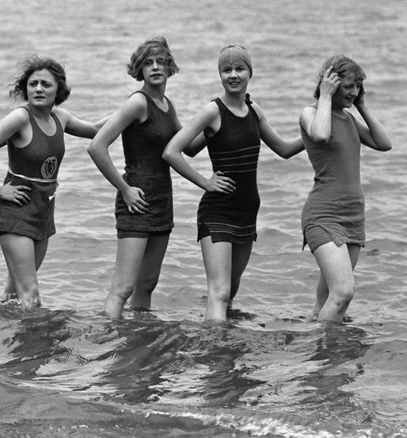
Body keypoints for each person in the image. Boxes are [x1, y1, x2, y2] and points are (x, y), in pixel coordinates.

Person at [162, 45, 304, 321]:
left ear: (250, 72)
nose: (233, 75)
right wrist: (206, 182)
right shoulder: (212, 111)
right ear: (220, 75)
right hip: (217, 211)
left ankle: (223, 351)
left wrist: (316, 135)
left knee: (232, 290)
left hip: (247, 212)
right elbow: (171, 151)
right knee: (221, 291)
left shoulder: (254, 111)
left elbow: (284, 149)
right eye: (226, 70)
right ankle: (215, 350)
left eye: (239, 68)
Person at [0, 56, 106, 310]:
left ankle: (4, 338)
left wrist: (132, 107)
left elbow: (97, 130)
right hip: (15, 212)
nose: (38, 89)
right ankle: (35, 348)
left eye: (46, 84)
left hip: (43, 212)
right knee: (30, 294)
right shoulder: (20, 118)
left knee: (14, 294)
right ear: (25, 89)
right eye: (33, 84)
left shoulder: (60, 118)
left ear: (59, 90)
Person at [88, 37, 205, 319]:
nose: (155, 67)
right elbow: (96, 146)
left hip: (162, 202)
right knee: (123, 287)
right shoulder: (138, 103)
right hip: (135, 203)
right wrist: (125, 188)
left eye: (161, 62)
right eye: (147, 63)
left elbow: (188, 147)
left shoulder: (166, 104)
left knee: (148, 284)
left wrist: (216, 121)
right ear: (139, 70)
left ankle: (138, 341)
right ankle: (110, 344)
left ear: (170, 68)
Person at [299, 56, 391, 322]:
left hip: (352, 215)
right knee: (343, 292)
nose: (354, 92)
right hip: (324, 215)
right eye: (349, 86)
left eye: (357, 87)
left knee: (327, 296)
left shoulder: (349, 119)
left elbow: (384, 144)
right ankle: (323, 349)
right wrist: (325, 96)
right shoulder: (311, 113)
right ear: (331, 84)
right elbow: (320, 135)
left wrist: (361, 106)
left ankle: (325, 358)